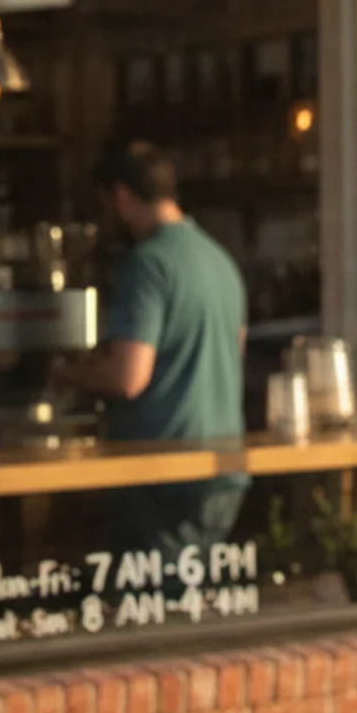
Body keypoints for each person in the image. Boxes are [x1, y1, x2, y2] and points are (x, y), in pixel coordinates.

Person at [57, 139, 248, 563]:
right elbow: (230, 351)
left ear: (121, 197)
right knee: (192, 609)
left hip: (164, 471)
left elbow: (129, 378)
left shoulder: (148, 263)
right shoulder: (219, 260)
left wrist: (65, 373)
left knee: (153, 613)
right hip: (223, 467)